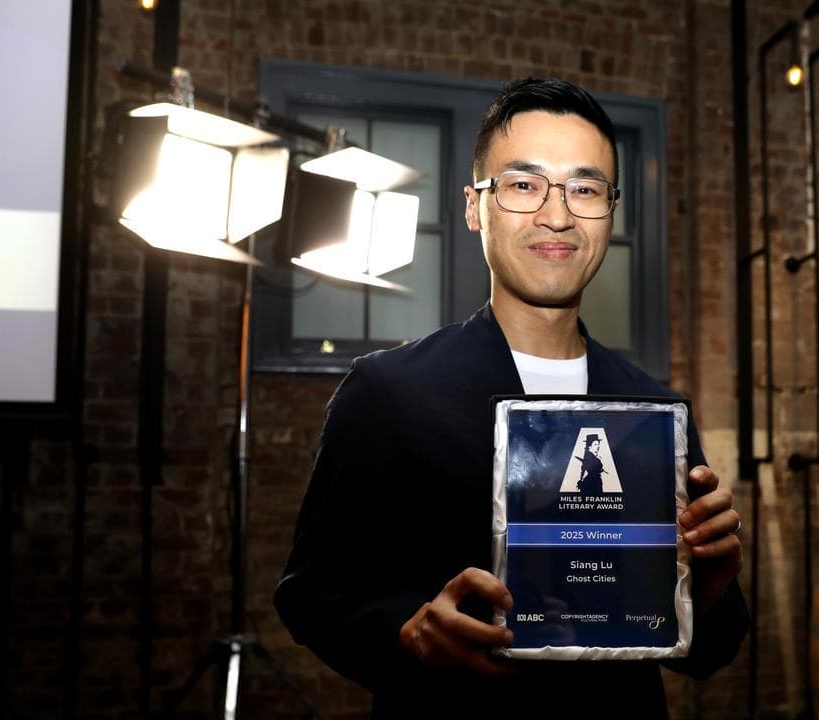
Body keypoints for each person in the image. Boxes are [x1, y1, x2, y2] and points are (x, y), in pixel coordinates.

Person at [274, 77, 748, 718]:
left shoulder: (657, 413)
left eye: (585, 189)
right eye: (525, 185)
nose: (558, 215)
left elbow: (711, 648)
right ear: (475, 207)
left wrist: (705, 588)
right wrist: (408, 633)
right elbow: (313, 595)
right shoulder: (389, 393)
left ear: (611, 211)